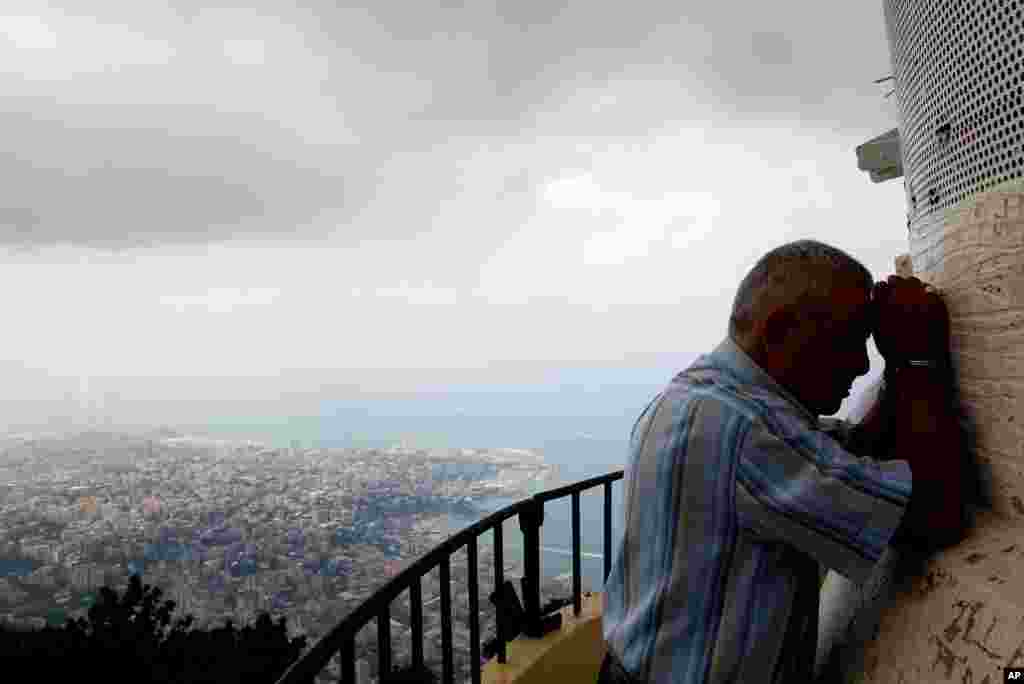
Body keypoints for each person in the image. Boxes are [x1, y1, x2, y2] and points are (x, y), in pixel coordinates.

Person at [598, 240, 968, 684]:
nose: (859, 364)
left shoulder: (700, 397)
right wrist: (917, 358)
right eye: (849, 340)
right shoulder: (743, 431)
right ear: (778, 331)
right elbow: (935, 513)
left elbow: (855, 449)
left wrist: (897, 362)